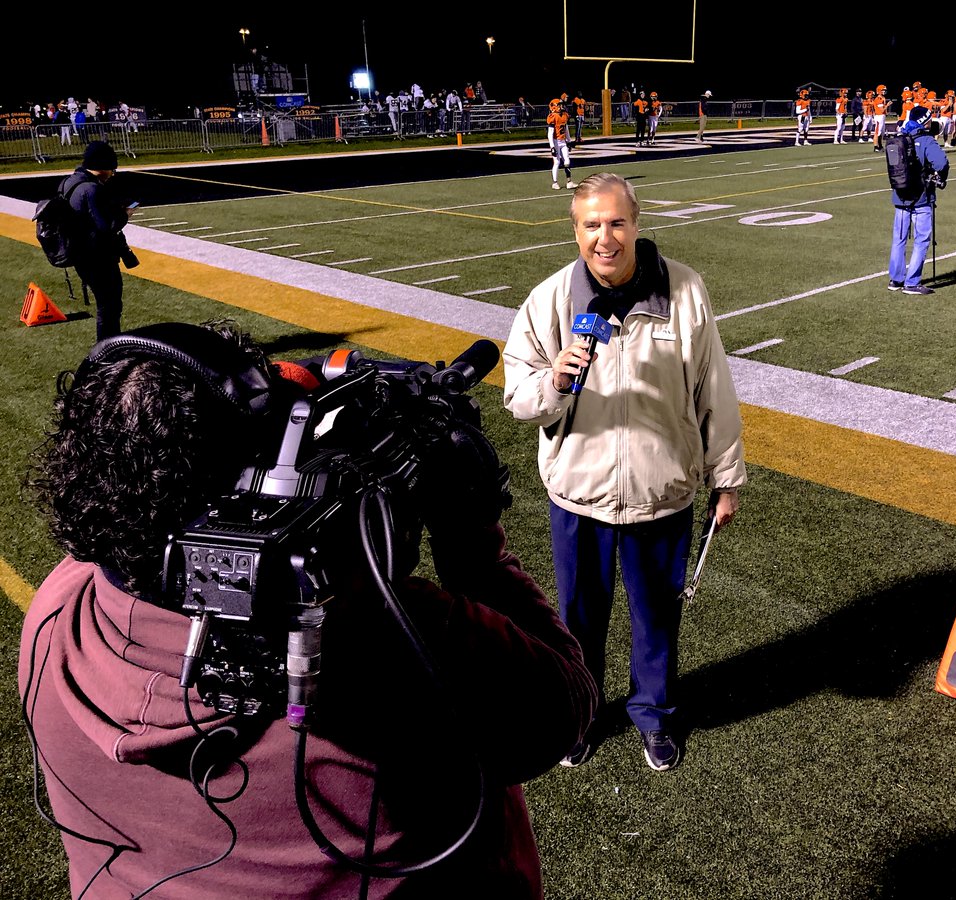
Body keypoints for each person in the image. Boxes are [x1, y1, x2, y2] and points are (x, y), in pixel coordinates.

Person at [19, 321, 597, 900]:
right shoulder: (385, 637)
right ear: (257, 490)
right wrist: (472, 544)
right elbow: (564, 705)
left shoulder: (57, 607)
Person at [502, 173, 747, 772]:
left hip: (662, 490)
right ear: (575, 231)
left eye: (616, 222)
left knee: (657, 618)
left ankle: (654, 716)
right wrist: (554, 379)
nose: (604, 238)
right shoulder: (551, 299)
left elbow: (713, 386)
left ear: (637, 224)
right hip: (579, 491)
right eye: (591, 225)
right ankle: (581, 716)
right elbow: (518, 398)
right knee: (578, 619)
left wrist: (726, 475)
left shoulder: (685, 289)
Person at [63, 141, 138, 340]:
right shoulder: (91, 189)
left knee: (107, 306)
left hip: (81, 254)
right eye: (112, 169)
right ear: (103, 166)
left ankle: (106, 348)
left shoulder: (70, 182)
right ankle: (106, 350)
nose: (113, 174)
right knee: (110, 307)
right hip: (97, 257)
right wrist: (125, 214)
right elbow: (106, 227)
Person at [887, 111, 950, 296]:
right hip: (921, 197)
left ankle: (896, 279)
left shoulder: (900, 137)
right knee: (921, 239)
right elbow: (941, 163)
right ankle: (912, 282)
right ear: (925, 122)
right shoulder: (926, 140)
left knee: (899, 239)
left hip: (900, 195)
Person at [546, 99, 576, 190]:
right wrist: (552, 147)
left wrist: (569, 141)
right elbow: (550, 134)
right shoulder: (553, 116)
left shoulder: (564, 115)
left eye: (561, 105)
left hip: (563, 141)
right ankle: (555, 183)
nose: (562, 106)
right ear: (554, 106)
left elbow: (566, 129)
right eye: (559, 105)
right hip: (555, 141)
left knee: (567, 160)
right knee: (557, 162)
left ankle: (569, 182)